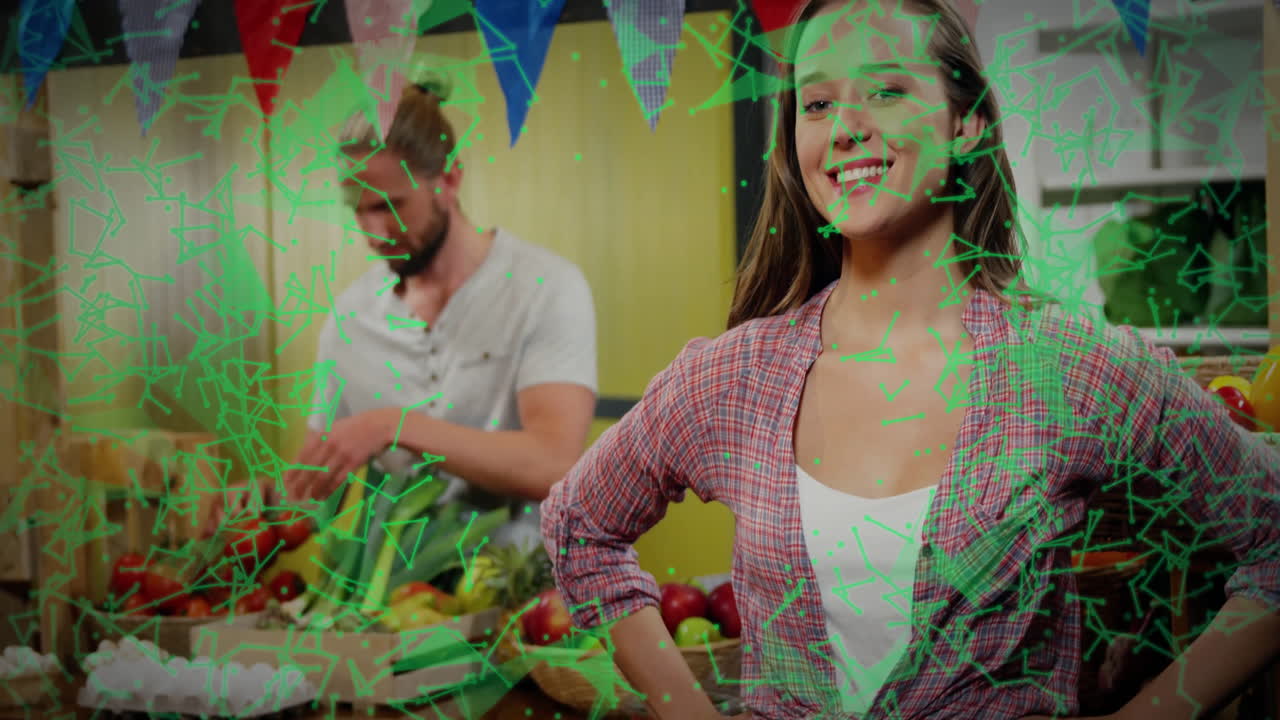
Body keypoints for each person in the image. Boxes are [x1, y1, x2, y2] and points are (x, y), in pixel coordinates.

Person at [538, 1, 1280, 719]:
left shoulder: (1068, 368)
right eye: (817, 103)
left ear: (967, 122)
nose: (845, 128)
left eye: (887, 89)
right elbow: (580, 527)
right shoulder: (733, 378)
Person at [205, 77, 599, 552]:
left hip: (527, 589)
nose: (374, 232)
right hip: (393, 594)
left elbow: (554, 464)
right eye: (358, 210)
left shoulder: (545, 287)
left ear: (448, 180)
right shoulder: (350, 320)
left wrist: (392, 426)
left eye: (391, 205)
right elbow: (315, 492)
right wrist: (263, 500)